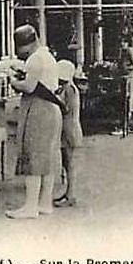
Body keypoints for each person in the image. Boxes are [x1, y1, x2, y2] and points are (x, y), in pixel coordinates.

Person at [6, 25, 63, 219]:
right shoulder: (47, 56)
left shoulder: (35, 59)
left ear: (25, 46)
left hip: (40, 109)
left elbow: (29, 87)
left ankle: (30, 206)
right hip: (52, 110)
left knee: (33, 157)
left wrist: (13, 81)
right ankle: (45, 203)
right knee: (47, 159)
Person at [53, 60, 83, 208]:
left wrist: (55, 99)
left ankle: (71, 195)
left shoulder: (70, 89)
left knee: (70, 163)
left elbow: (66, 108)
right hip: (66, 129)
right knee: (66, 162)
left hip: (70, 129)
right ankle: (68, 194)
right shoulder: (66, 88)